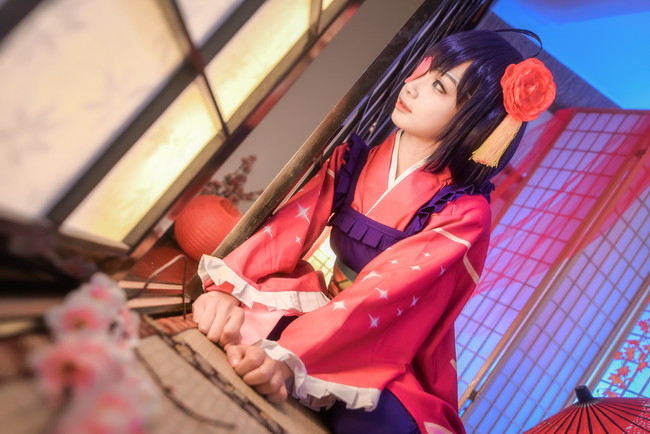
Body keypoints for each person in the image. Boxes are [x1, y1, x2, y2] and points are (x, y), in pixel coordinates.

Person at [192, 29, 556, 433]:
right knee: (239, 326)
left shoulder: (463, 212)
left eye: (439, 86)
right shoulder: (357, 157)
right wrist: (227, 289)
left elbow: (385, 293)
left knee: (368, 421)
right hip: (328, 306)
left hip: (386, 339)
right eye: (424, 70)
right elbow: (291, 225)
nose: (412, 86)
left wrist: (288, 358)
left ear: (476, 121)